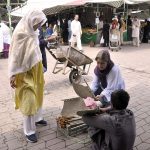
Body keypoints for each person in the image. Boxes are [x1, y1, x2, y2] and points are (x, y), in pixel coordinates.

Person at [8, 10, 47, 143]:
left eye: (41, 23)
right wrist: (12, 74)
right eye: (38, 23)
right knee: (28, 99)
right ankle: (29, 131)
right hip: (23, 71)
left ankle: (38, 118)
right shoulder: (20, 33)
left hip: (36, 67)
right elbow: (14, 55)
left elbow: (35, 49)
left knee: (39, 93)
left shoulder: (33, 31)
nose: (39, 26)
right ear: (32, 20)